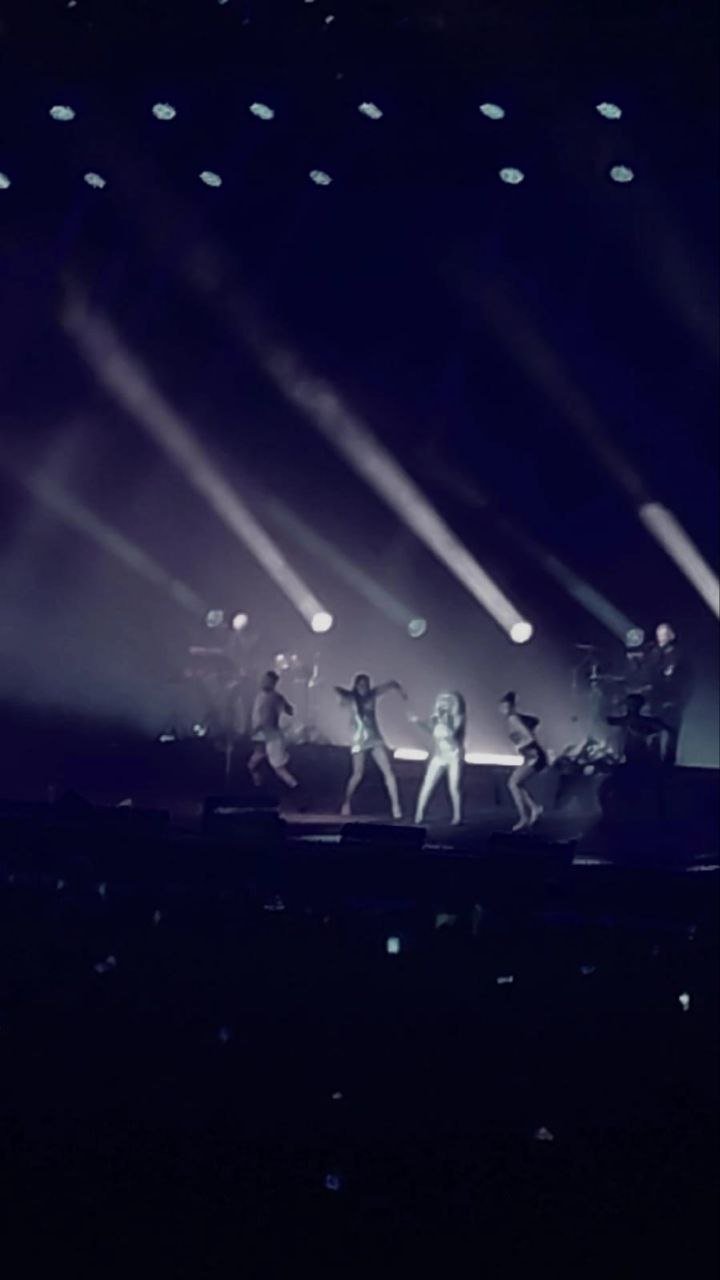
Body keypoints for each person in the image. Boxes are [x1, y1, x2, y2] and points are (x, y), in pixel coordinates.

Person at [335, 674, 407, 819]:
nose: (363, 687)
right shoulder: (351, 698)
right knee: (357, 774)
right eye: (360, 685)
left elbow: (390, 684)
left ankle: (396, 806)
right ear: (356, 686)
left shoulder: (372, 695)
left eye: (365, 685)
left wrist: (400, 691)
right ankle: (346, 802)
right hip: (359, 739)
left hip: (374, 738)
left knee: (388, 771)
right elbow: (339, 695)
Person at [411, 692, 466, 826]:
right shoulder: (435, 718)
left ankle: (457, 816)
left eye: (446, 703)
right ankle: (419, 814)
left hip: (453, 756)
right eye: (441, 702)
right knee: (427, 785)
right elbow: (429, 729)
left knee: (453, 787)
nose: (443, 705)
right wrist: (417, 722)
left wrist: (444, 721)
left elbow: (452, 734)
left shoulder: (457, 718)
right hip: (439, 756)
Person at [643, 623, 692, 765]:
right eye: (659, 635)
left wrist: (679, 701)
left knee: (671, 734)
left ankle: (669, 765)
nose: (661, 639)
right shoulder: (654, 654)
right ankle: (653, 762)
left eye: (664, 635)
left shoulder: (681, 657)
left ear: (672, 636)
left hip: (673, 702)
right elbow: (649, 675)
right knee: (653, 733)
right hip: (656, 700)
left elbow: (687, 681)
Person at [499, 691, 547, 831]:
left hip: (534, 756)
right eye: (502, 706)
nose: (503, 709)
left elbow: (528, 737)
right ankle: (534, 808)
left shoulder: (513, 719)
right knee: (516, 783)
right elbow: (534, 723)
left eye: (506, 706)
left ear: (511, 706)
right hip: (531, 755)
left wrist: (528, 750)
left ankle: (524, 817)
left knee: (513, 783)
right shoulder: (514, 718)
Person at [247, 671, 298, 789]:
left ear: (272, 683)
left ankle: (295, 787)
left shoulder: (273, 697)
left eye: (267, 680)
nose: (263, 682)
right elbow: (289, 710)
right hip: (264, 736)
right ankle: (258, 786)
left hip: (271, 736)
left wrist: (257, 729)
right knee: (253, 764)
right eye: (263, 679)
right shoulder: (261, 696)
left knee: (278, 768)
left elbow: (287, 711)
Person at [606, 693, 670, 767]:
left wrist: (662, 750)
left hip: (642, 757)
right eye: (630, 703)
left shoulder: (647, 721)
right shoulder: (617, 721)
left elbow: (665, 730)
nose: (633, 706)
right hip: (624, 756)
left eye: (635, 704)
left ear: (641, 705)